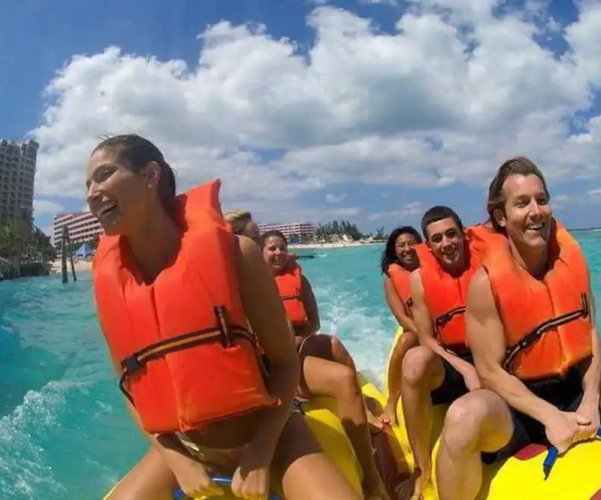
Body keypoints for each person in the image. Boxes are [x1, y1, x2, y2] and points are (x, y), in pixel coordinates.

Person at [86, 135, 360, 500]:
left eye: (104, 175)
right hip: (186, 448)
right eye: (87, 185)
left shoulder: (238, 254)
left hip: (271, 436)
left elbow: (285, 363)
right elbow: (129, 388)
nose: (92, 194)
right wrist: (178, 460)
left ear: (150, 175)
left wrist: (261, 454)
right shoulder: (111, 283)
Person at [436, 156, 601, 500]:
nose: (536, 211)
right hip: (517, 405)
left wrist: (590, 401)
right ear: (501, 216)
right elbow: (489, 372)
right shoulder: (485, 284)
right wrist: (550, 417)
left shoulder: (570, 260)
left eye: (541, 200)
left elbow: (589, 331)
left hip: (570, 386)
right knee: (461, 417)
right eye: (522, 203)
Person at [261, 230, 390, 500]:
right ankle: (370, 474)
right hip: (275, 360)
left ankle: (359, 402)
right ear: (260, 253)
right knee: (340, 377)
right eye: (272, 248)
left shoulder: (299, 280)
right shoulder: (255, 287)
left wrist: (300, 340)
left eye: (282, 247)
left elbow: (315, 321)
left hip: (299, 347)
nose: (278, 253)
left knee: (333, 344)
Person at [399, 207, 490, 500]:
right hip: (451, 362)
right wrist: (465, 368)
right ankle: (421, 467)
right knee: (414, 360)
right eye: (437, 239)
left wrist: (485, 367)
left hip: (492, 357)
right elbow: (426, 338)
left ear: (464, 235)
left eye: (451, 234)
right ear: (428, 246)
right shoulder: (419, 279)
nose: (446, 243)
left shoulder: (487, 265)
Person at [379, 226, 423, 426]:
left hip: (440, 328)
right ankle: (391, 401)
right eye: (401, 245)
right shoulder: (391, 279)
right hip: (414, 329)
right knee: (405, 341)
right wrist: (426, 335)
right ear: (394, 251)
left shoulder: (433, 268)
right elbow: (401, 318)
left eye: (411, 243)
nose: (407, 249)